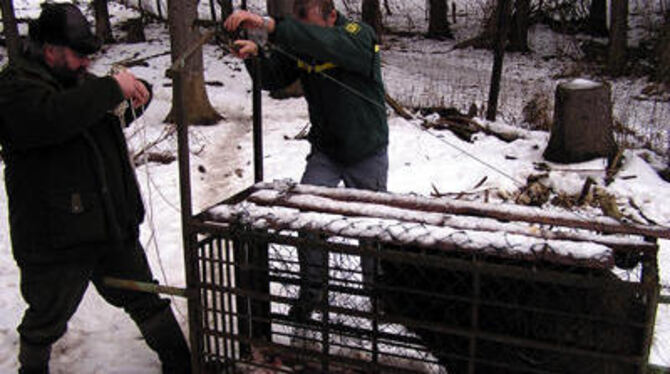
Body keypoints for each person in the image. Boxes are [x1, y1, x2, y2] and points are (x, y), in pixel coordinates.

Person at [0, 3, 191, 373]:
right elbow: (53, 118)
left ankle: (182, 365)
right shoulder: (15, 88)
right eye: (78, 55)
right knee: (45, 319)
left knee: (145, 298)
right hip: (57, 236)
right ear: (50, 50)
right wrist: (108, 89)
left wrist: (137, 95)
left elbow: (97, 117)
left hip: (109, 223)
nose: (86, 63)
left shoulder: (74, 81)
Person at [224, 0, 389, 323]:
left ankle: (378, 294)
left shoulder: (358, 34)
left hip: (367, 149)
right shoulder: (305, 40)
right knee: (307, 219)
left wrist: (270, 25)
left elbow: (326, 43)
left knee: (371, 225)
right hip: (326, 151)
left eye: (313, 26)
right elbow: (274, 79)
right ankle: (314, 288)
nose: (309, 34)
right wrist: (255, 56)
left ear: (331, 15)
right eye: (304, 27)